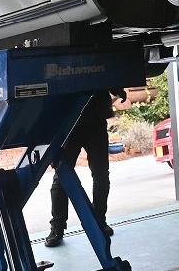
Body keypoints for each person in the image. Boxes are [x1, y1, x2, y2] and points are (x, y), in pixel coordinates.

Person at [45, 89, 125, 247]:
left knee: (101, 174)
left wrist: (117, 88)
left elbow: (103, 75)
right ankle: (57, 227)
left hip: (95, 119)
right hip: (69, 121)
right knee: (62, 176)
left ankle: (99, 221)